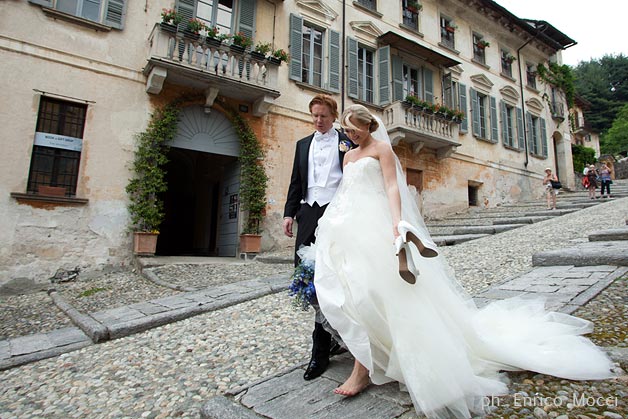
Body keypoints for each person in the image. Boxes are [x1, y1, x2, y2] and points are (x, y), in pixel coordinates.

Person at [302, 105, 614, 419]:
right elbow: (344, 191)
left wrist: (397, 223)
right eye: (347, 129)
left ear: (368, 125)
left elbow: (392, 186)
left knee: (373, 292)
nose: (350, 134)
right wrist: (329, 224)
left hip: (374, 225)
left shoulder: (383, 149)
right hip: (346, 226)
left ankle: (364, 368)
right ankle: (368, 359)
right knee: (350, 292)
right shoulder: (348, 156)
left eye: (354, 128)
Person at [283, 94, 352, 381]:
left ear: (334, 115)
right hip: (308, 215)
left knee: (336, 277)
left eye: (323, 116)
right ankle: (332, 335)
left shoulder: (347, 142)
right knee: (307, 280)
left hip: (337, 215)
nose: (318, 121)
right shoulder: (302, 145)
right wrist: (289, 213)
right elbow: (295, 183)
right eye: (314, 116)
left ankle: (321, 350)